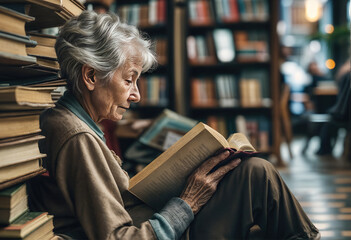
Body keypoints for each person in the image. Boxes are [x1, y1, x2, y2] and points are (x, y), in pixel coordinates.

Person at [27, 11, 320, 240]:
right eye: (128, 79)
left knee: (252, 175)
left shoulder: (72, 122)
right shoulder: (76, 136)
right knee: (257, 174)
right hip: (158, 231)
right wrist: (186, 203)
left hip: (152, 221)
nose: (137, 94)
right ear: (90, 76)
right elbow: (117, 236)